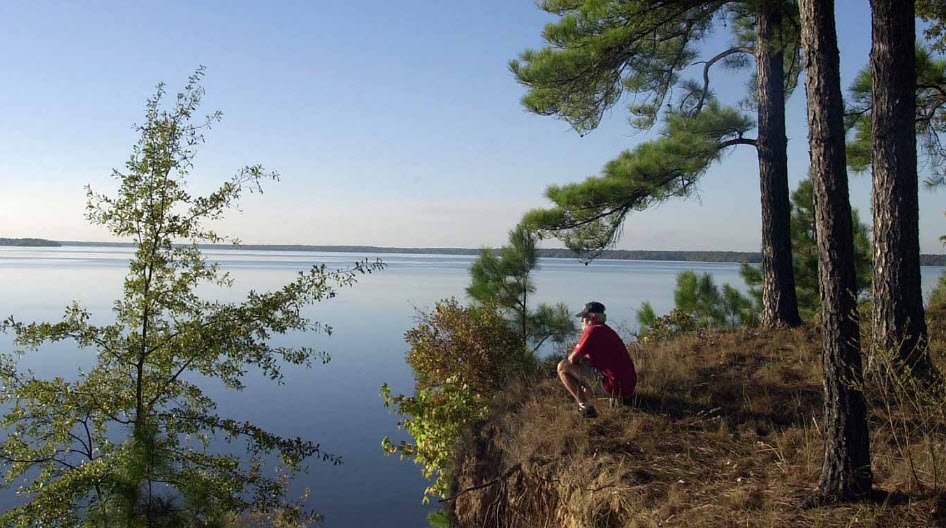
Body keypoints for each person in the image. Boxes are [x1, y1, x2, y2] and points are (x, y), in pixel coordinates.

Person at [557, 301, 637, 418]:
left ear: (592, 317)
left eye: (584, 317)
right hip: (628, 386)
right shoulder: (607, 330)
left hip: (613, 386)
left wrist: (582, 381)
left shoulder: (592, 330)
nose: (581, 321)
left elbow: (572, 359)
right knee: (587, 366)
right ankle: (618, 399)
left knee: (562, 367)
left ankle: (585, 408)